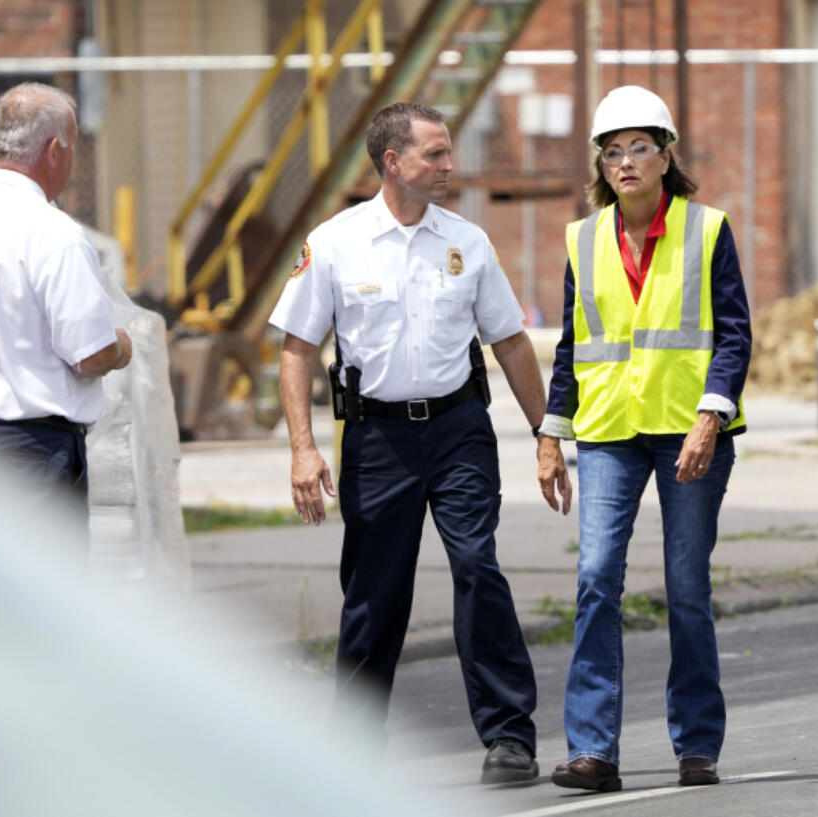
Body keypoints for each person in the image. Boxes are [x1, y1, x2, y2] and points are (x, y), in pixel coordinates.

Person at [271, 102, 546, 784]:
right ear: (393, 162)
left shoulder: (468, 242)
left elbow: (510, 341)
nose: (448, 166)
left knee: (478, 567)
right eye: (435, 155)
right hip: (377, 439)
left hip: (459, 433)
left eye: (447, 153)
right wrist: (304, 449)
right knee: (375, 591)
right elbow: (297, 349)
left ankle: (509, 735)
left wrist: (548, 434)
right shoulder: (336, 242)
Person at [536, 85, 752, 792]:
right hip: (606, 431)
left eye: (638, 147)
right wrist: (549, 434)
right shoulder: (582, 237)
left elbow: (733, 335)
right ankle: (593, 748)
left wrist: (709, 418)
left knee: (686, 587)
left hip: (690, 432)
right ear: (600, 164)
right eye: (612, 150)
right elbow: (573, 346)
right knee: (596, 577)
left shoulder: (708, 229)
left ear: (666, 155)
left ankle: (697, 744)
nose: (624, 161)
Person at [0, 82, 132, 539]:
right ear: (53, 151)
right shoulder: (54, 235)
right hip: (28, 453)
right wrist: (121, 347)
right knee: (32, 606)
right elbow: (90, 355)